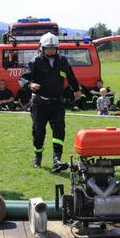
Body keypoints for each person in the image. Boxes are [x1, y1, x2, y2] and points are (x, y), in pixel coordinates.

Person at [19, 32, 82, 173]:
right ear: (42, 48)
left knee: (59, 130)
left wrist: (76, 89)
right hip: (39, 104)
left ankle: (57, 160)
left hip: (57, 103)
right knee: (38, 132)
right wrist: (30, 85)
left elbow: (71, 77)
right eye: (48, 48)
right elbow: (22, 79)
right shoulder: (35, 61)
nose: (51, 50)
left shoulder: (63, 61)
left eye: (53, 48)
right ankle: (38, 157)